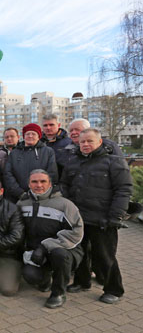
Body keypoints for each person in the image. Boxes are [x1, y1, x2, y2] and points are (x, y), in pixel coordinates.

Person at [60, 128, 133, 304]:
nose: (85, 144)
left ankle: (114, 289)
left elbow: (123, 190)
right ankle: (82, 281)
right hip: (78, 218)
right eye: (82, 141)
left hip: (103, 219)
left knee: (105, 255)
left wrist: (116, 216)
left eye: (89, 141)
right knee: (80, 253)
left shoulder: (113, 162)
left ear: (99, 142)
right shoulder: (73, 162)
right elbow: (64, 184)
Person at [18, 170, 84, 309]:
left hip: (64, 249)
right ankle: (45, 280)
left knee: (59, 254)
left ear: (50, 184)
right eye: (34, 182)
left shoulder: (64, 204)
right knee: (30, 275)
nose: (39, 185)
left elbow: (76, 232)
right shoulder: (22, 204)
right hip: (36, 252)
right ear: (29, 184)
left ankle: (58, 293)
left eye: (43, 181)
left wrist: (44, 246)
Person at [4, 123, 58, 202]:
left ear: (38, 136)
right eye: (27, 134)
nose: (30, 136)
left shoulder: (48, 152)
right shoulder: (14, 153)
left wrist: (42, 192)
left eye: (33, 134)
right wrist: (19, 193)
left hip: (42, 197)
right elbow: (8, 174)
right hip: (18, 197)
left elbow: (52, 173)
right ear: (23, 136)